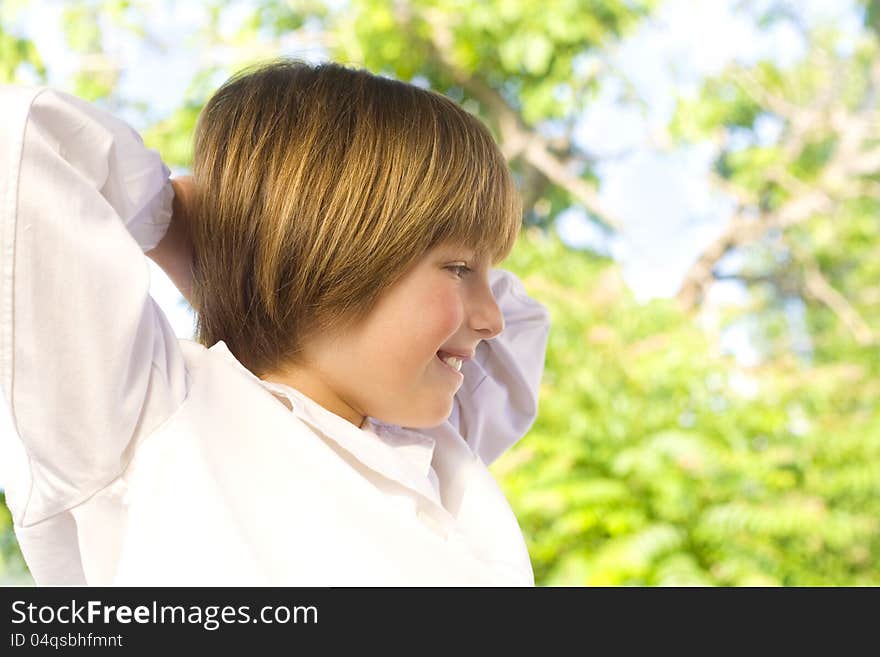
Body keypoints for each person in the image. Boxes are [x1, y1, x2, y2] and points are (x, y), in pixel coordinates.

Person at [0, 59, 551, 586]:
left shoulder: (433, 442)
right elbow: (19, 146)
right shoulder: (148, 419)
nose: (492, 319)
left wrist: (260, 270)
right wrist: (187, 223)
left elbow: (523, 332)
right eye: (459, 268)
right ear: (332, 253)